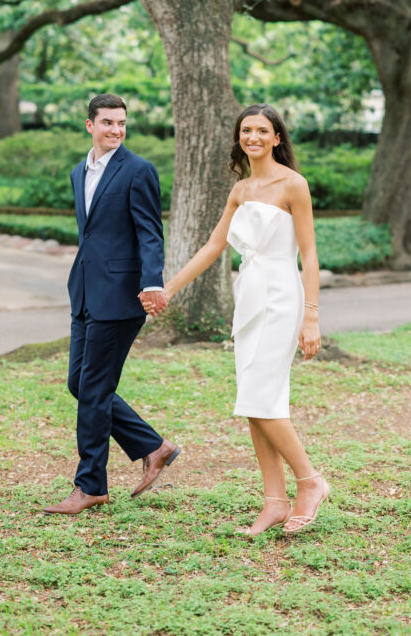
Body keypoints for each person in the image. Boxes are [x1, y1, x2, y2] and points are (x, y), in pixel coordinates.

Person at [143, 103, 328, 537]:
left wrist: (312, 317)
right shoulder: (241, 190)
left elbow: (310, 254)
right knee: (255, 404)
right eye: (247, 130)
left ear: (277, 138)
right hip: (248, 297)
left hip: (283, 297)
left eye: (263, 130)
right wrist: (168, 290)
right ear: (239, 137)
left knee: (260, 399)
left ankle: (311, 481)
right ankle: (274, 503)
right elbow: (212, 247)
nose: (253, 137)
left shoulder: (293, 185)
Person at [43, 93, 179, 517]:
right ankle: (153, 446)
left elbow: (149, 232)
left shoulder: (138, 170)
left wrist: (152, 284)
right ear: (90, 125)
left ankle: (90, 487)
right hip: (84, 292)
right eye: (107, 123)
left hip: (121, 298)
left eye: (122, 123)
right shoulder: (77, 171)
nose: (116, 130)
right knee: (80, 385)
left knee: (94, 389)